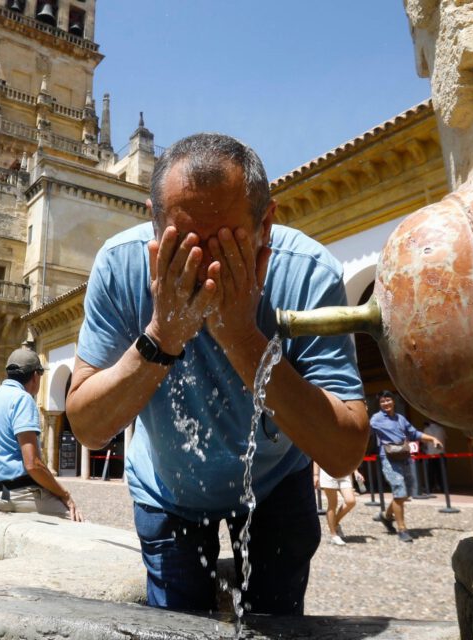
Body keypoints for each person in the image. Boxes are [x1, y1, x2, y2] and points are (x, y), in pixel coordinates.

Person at [65, 133, 368, 614]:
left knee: (276, 619)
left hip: (276, 484)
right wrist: (162, 337)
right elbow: (88, 426)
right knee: (176, 623)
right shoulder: (121, 268)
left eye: (228, 246)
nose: (205, 270)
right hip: (167, 489)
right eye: (183, 246)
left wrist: (243, 338)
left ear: (265, 223)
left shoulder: (307, 272)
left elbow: (343, 451)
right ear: (153, 221)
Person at [0, 347, 81, 520]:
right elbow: (33, 464)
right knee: (73, 518)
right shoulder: (22, 399)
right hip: (13, 493)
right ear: (35, 376)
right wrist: (65, 494)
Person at [370, 390, 443, 543]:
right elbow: (363, 428)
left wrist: (432, 439)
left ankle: (386, 516)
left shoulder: (400, 419)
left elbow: (414, 434)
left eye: (388, 400)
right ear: (380, 404)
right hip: (389, 459)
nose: (386, 403)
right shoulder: (376, 419)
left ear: (393, 401)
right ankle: (402, 529)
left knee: (406, 493)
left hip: (404, 458)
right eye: (382, 401)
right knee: (399, 492)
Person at [314, 463, 362, 546]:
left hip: (344, 472)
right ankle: (334, 535)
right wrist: (316, 475)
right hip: (327, 472)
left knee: (351, 501)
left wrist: (356, 471)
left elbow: (349, 455)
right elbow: (317, 456)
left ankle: (334, 523)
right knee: (332, 503)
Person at [421, 420, 447, 494]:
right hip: (441, 453)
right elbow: (445, 438)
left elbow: (424, 442)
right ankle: (443, 488)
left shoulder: (426, 429)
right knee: (442, 472)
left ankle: (429, 488)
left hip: (430, 454)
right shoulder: (441, 429)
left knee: (430, 473)